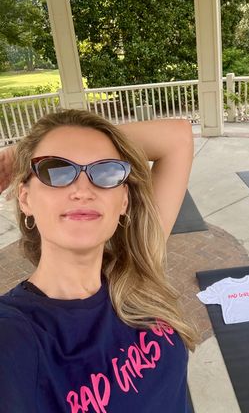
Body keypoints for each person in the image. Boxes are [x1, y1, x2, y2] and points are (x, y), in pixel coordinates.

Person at [0, 109, 198, 413]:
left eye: (105, 172)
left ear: (123, 201)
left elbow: (178, 138)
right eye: (55, 170)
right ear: (25, 198)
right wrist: (32, 151)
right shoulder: (15, 333)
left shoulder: (135, 273)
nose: (83, 190)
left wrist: (23, 154)